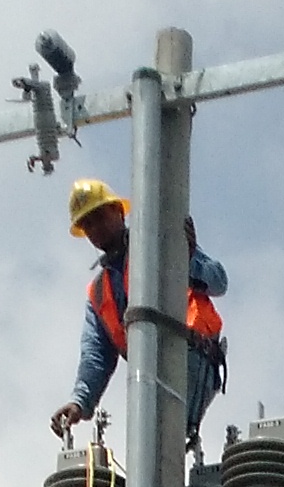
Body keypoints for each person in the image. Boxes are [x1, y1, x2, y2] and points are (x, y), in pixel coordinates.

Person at [49, 177, 227, 449]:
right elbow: (96, 354)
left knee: (158, 449)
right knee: (149, 454)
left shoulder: (159, 242)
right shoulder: (100, 292)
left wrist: (187, 260)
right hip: (149, 375)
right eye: (88, 224)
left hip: (191, 357)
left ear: (119, 212)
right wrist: (80, 401)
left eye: (99, 217)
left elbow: (218, 281)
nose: (95, 228)